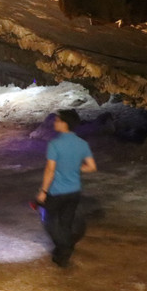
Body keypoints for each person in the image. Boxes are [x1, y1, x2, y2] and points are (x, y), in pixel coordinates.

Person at [36, 109, 97, 267]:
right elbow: (91, 167)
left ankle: (64, 249)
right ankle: (62, 251)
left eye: (57, 120)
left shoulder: (55, 144)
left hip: (57, 191)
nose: (54, 123)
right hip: (74, 191)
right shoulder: (82, 144)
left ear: (65, 123)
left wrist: (43, 191)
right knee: (65, 223)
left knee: (49, 221)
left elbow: (50, 170)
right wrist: (75, 169)